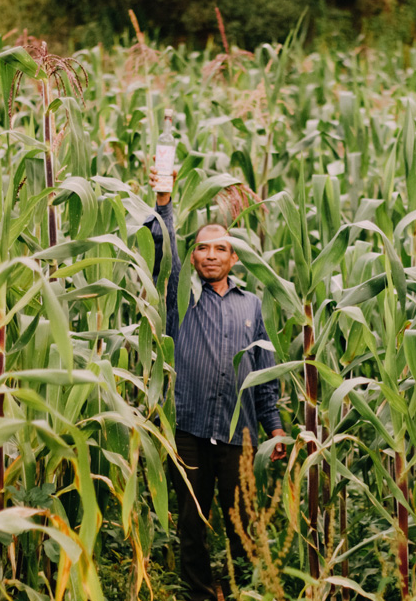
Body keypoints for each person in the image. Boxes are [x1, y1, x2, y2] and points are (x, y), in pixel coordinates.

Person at [145, 167, 286, 601]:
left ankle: (246, 590)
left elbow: (262, 374)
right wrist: (164, 201)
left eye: (220, 248)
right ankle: (200, 594)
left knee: (242, 522)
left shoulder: (252, 305)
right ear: (192, 259)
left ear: (234, 258)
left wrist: (274, 428)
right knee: (192, 522)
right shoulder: (179, 296)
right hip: (188, 430)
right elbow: (163, 248)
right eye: (202, 248)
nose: (210, 255)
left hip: (238, 433)